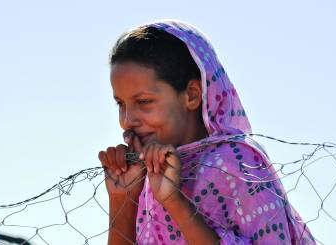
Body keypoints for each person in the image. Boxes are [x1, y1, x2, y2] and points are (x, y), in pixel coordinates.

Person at [98, 20, 315, 245]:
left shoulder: (235, 163)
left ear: (191, 95)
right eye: (120, 104)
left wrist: (175, 202)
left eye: (144, 101)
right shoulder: (150, 174)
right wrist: (122, 199)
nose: (126, 121)